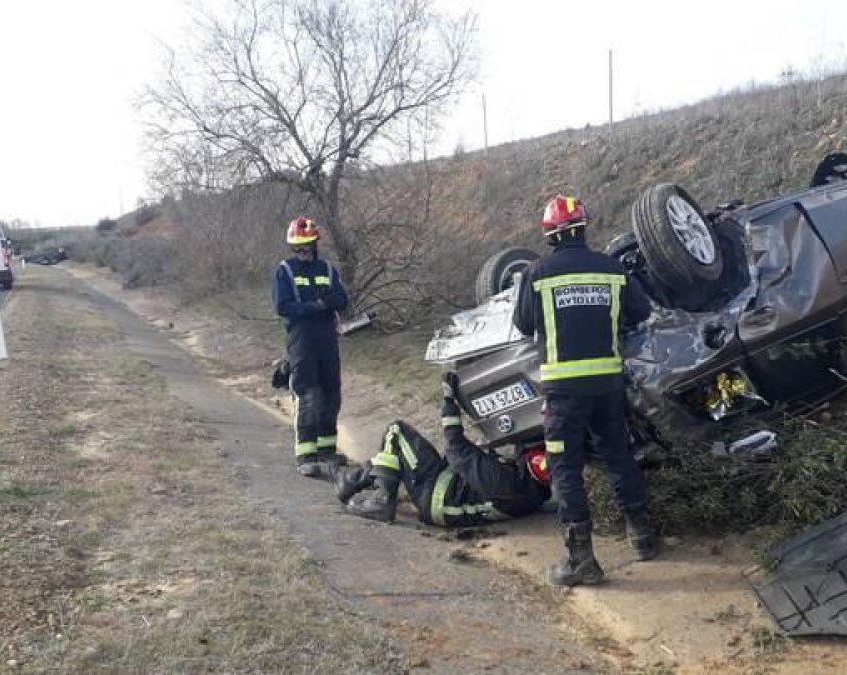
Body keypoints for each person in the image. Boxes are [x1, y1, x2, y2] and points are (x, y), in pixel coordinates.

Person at [512, 195, 658, 587]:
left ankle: (581, 561)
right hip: (608, 386)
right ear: (583, 227)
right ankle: (642, 537)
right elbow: (642, 313)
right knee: (618, 455)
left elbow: (524, 325)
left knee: (565, 468)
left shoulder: (537, 273)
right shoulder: (612, 270)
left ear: (550, 235)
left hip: (564, 393)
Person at [339, 372, 551, 525]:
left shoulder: (507, 482)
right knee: (399, 455)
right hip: (445, 491)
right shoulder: (535, 490)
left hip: (436, 494)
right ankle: (358, 479)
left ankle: (380, 500)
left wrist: (449, 402)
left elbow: (456, 449)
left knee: (396, 433)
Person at [272, 217, 350, 477]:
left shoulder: (327, 268)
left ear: (315, 243)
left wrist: (321, 304)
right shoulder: (285, 270)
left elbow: (341, 299)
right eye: (298, 247)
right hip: (301, 338)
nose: (302, 251)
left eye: (307, 246)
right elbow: (283, 306)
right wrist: (317, 305)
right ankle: (306, 455)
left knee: (331, 393)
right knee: (308, 396)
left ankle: (327, 449)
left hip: (327, 337)